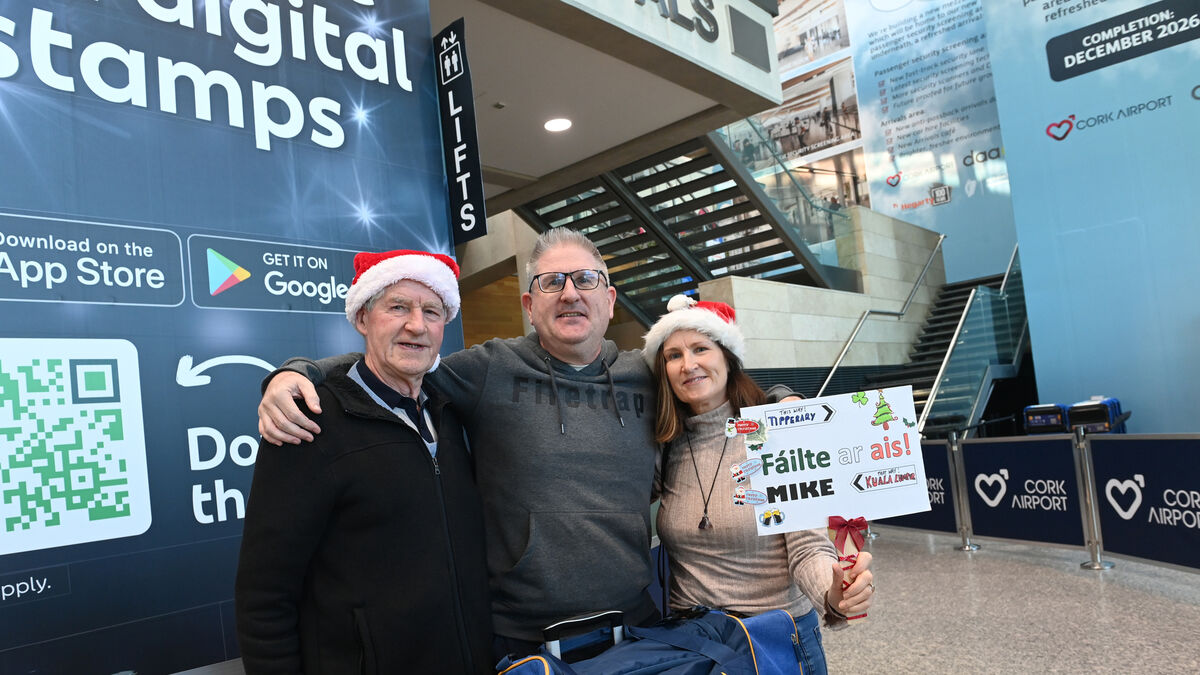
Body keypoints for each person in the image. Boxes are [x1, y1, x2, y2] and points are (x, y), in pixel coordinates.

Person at [256, 229, 660, 659]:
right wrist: (298, 372)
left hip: (638, 627)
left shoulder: (649, 377)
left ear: (610, 299)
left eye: (585, 279)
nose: (570, 294)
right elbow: (397, 358)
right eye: (552, 282)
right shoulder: (489, 369)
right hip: (524, 641)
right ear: (529, 305)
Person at [235, 249, 493, 674]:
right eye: (398, 307)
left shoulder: (454, 411)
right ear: (362, 318)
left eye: (431, 311)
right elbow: (264, 593)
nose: (417, 325)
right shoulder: (309, 421)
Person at [641, 295, 875, 674]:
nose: (688, 364)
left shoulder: (775, 435)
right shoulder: (667, 445)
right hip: (693, 644)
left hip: (770, 641)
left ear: (728, 356)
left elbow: (807, 547)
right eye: (673, 355)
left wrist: (833, 594)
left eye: (701, 348)